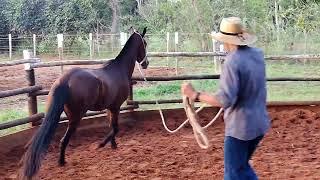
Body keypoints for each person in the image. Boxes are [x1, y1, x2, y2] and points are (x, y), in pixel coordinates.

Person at [181, 17, 270, 180]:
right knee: (241, 167)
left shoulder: (232, 61)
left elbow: (224, 100)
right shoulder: (257, 55)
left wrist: (195, 95)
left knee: (233, 173)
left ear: (226, 41)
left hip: (241, 128)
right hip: (259, 124)